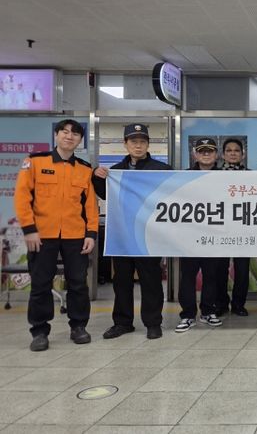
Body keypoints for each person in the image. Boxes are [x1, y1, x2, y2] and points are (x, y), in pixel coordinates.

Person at [14, 119, 98, 351]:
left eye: (75, 134)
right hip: (42, 235)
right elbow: (22, 197)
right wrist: (29, 229)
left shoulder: (84, 169)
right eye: (65, 132)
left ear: (80, 140)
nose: (69, 137)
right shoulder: (35, 162)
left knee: (78, 283)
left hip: (75, 235)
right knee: (41, 284)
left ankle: (78, 326)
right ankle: (39, 331)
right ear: (56, 135)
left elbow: (90, 206)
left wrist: (91, 233)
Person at [92, 123, 172, 340]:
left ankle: (153, 323)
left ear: (148, 144)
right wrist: (97, 177)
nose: (138, 145)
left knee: (151, 280)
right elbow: (105, 195)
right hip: (122, 236)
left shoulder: (162, 170)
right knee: (122, 281)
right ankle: (122, 322)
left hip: (149, 235)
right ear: (125, 144)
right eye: (133, 141)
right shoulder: (115, 172)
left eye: (142, 141)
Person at [175, 137, 223, 332]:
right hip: (189, 237)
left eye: (210, 151)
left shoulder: (226, 178)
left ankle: (208, 311)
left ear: (216, 155)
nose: (206, 154)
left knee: (212, 276)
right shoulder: (183, 177)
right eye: (202, 151)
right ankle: (187, 315)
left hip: (214, 235)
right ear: (195, 154)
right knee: (188, 277)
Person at [216, 138, 251, 316]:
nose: (232, 153)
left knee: (242, 270)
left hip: (243, 229)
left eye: (236, 150)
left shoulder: (252, 176)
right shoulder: (213, 175)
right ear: (223, 155)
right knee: (220, 269)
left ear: (242, 155)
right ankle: (221, 303)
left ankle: (238, 304)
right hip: (220, 229)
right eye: (228, 150)